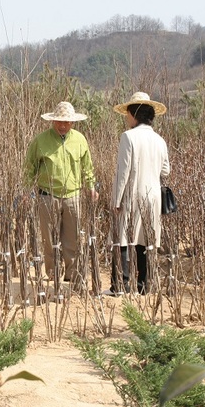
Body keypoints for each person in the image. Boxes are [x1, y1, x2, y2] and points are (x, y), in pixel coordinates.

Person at [24, 101, 98, 288]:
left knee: (72, 238)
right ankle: (52, 274)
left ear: (73, 123)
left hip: (73, 196)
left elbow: (87, 167)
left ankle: (71, 275)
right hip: (47, 195)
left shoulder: (80, 140)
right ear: (53, 121)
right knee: (48, 238)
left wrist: (90, 186)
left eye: (67, 122)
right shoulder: (40, 140)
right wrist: (26, 190)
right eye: (59, 121)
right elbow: (29, 167)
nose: (63, 126)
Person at [104, 92, 171, 296]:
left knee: (122, 238)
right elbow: (166, 170)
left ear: (134, 114)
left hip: (132, 194)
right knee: (146, 240)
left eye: (128, 114)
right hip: (152, 196)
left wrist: (116, 199)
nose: (126, 118)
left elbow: (123, 172)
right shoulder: (159, 140)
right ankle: (144, 286)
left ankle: (120, 286)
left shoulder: (128, 137)